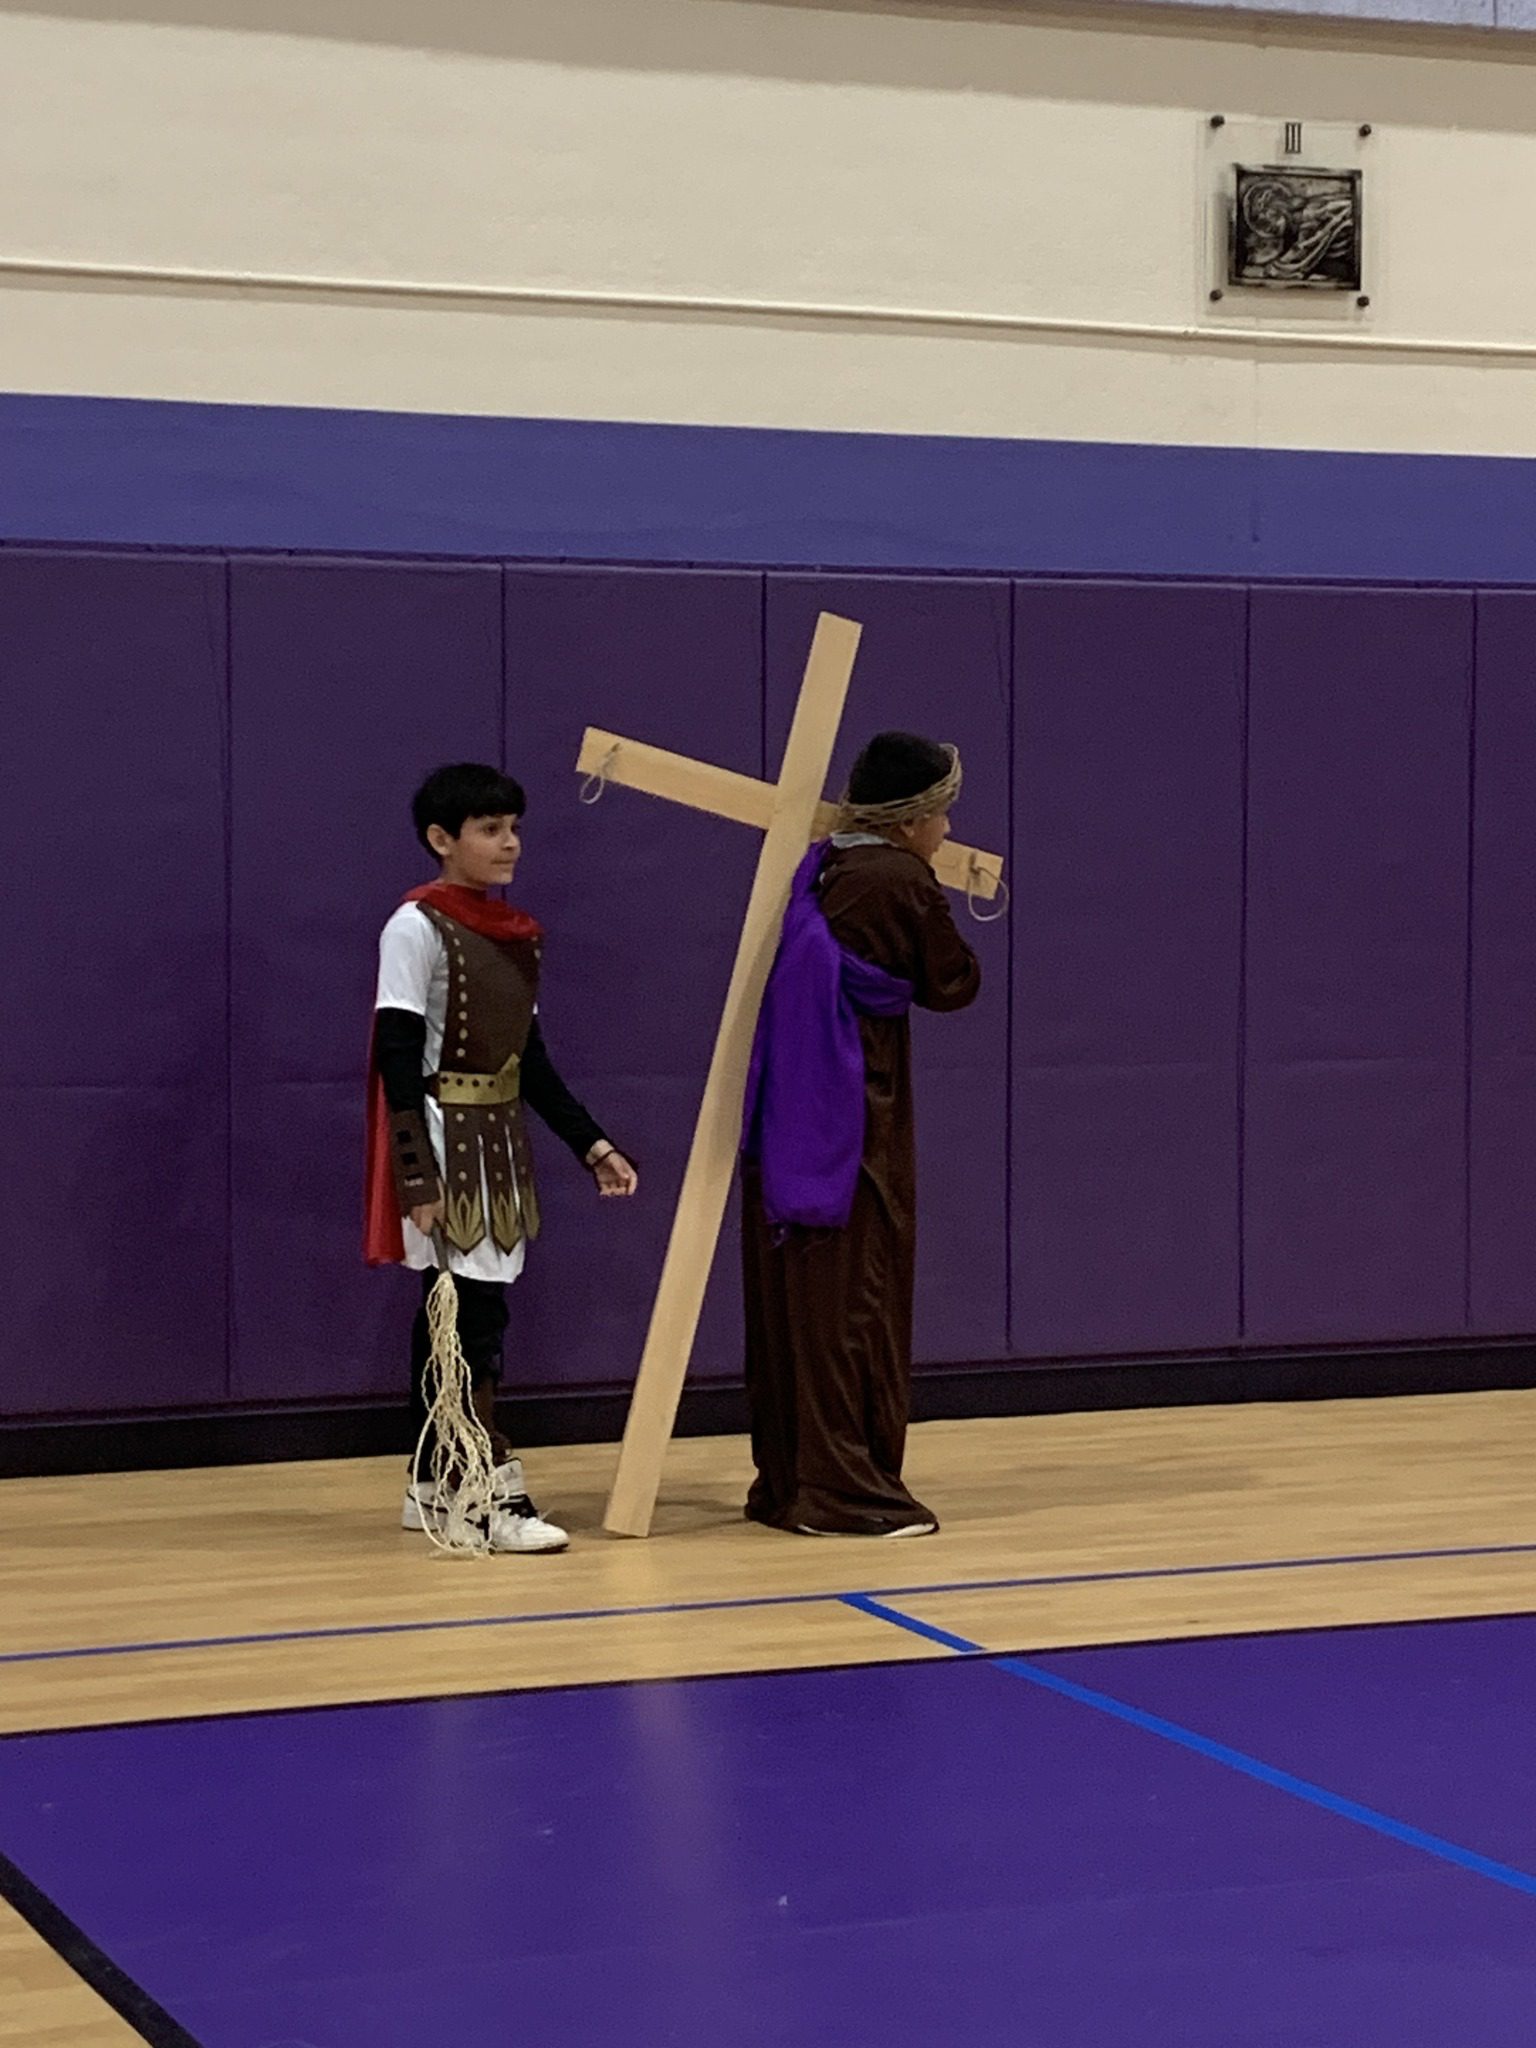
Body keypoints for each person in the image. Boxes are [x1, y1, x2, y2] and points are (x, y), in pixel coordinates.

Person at [364, 762, 637, 1553]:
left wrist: (592, 1142)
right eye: (489, 829)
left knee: (468, 1318)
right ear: (441, 840)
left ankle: (431, 1479)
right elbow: (396, 1054)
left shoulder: (516, 939)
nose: (509, 842)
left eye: (514, 827)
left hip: (499, 1147)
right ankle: (477, 1488)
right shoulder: (414, 928)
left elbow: (531, 1061)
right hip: (446, 1146)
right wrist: (415, 1176)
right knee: (464, 1323)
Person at [741, 731, 982, 1537]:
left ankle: (790, 1481)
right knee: (855, 1303)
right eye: (942, 815)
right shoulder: (894, 879)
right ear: (911, 821)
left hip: (792, 1112)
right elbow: (951, 980)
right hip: (855, 1120)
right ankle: (843, 1492)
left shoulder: (822, 866)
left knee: (803, 1307)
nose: (947, 831)